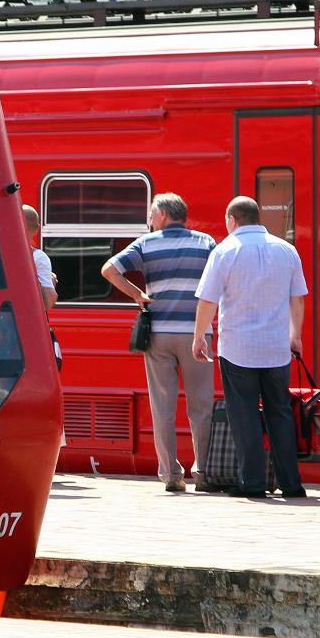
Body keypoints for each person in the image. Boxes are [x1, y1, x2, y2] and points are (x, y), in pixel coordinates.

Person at [191, 196, 309, 500]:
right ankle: (291, 483)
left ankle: (252, 482)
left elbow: (208, 300)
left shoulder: (224, 251)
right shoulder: (287, 250)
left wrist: (199, 337)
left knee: (243, 415)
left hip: (237, 349)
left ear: (232, 220)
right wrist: (295, 336)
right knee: (279, 413)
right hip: (276, 348)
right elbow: (298, 297)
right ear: (258, 218)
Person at [101, 193, 217, 493]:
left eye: (152, 214)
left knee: (162, 406)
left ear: (163, 214)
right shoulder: (206, 243)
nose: (150, 220)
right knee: (201, 406)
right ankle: (203, 472)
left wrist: (137, 294)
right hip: (197, 334)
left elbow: (109, 269)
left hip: (160, 334)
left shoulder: (146, 243)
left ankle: (170, 474)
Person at [21, 205, 56, 313]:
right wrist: (51, 282)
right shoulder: (38, 257)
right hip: (24, 319)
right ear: (37, 229)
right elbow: (48, 301)